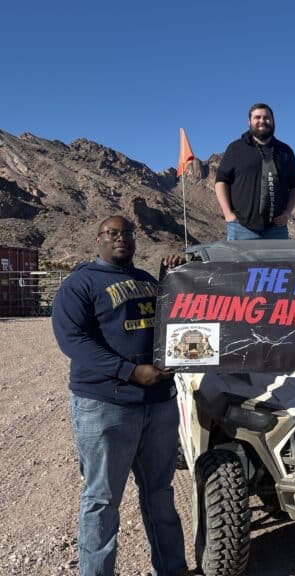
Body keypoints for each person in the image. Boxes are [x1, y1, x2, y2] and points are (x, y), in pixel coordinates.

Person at [52, 215, 188, 576]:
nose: (121, 239)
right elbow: (74, 342)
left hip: (158, 406)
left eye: (128, 233)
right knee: (102, 501)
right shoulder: (80, 284)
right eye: (113, 233)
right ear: (98, 239)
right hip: (105, 407)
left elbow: (169, 324)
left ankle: (172, 569)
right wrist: (129, 371)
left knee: (160, 494)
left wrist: (170, 281)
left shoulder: (145, 280)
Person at [215, 102, 295, 240]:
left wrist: (287, 213)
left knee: (279, 263)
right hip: (241, 228)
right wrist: (228, 214)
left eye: (267, 117)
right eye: (257, 117)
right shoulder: (235, 149)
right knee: (239, 263)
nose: (262, 121)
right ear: (249, 122)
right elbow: (221, 181)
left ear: (273, 121)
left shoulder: (285, 151)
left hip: (277, 229)